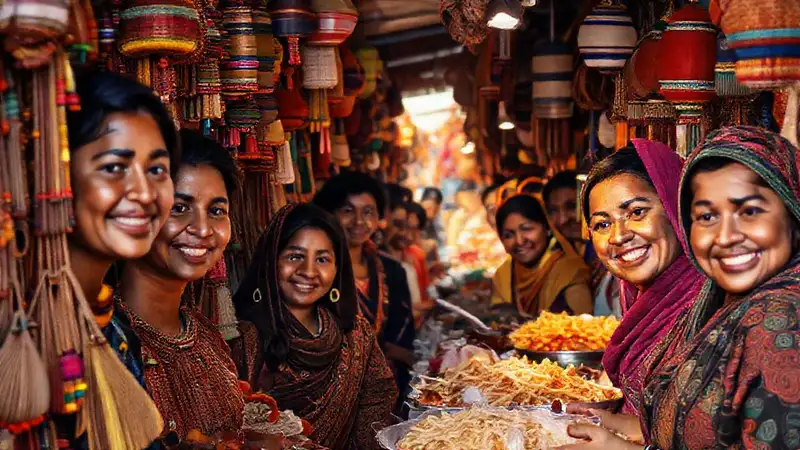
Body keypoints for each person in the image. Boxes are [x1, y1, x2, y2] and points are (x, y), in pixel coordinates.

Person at [562, 127, 800, 450]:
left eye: (750, 211)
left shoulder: (782, 321)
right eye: (706, 216)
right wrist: (633, 427)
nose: (726, 236)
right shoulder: (722, 305)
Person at [62, 70, 178, 449]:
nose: (144, 193)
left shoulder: (115, 332)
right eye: (114, 167)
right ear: (58, 176)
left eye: (157, 170)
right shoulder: (19, 331)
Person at [107, 130, 245, 441]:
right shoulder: (105, 342)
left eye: (216, 211)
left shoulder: (206, 337)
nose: (202, 229)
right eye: (178, 208)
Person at [232, 204, 396, 450]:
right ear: (271, 261)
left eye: (322, 259)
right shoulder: (243, 337)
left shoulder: (355, 335)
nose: (308, 272)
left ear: (337, 268)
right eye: (295, 256)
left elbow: (377, 402)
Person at [580, 140, 705, 418]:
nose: (619, 236)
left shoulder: (712, 308)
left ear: (675, 208)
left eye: (637, 212)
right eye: (602, 224)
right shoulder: (636, 301)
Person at [312, 172, 415, 413]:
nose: (359, 221)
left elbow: (404, 332)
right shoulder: (316, 271)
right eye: (348, 211)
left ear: (379, 218)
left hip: (387, 390)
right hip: (331, 394)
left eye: (368, 212)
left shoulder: (392, 270)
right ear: (329, 214)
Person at [491, 195, 593, 316]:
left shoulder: (568, 272)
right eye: (508, 235)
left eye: (527, 229)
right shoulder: (503, 274)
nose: (519, 241)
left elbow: (585, 322)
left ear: (547, 228)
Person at [545, 170, 621, 318]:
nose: (562, 220)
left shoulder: (615, 250)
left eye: (572, 206)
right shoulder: (559, 256)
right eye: (554, 210)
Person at [404, 202, 435, 325]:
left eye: (416, 229)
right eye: (406, 227)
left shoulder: (417, 254)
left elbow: (424, 294)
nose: (410, 235)